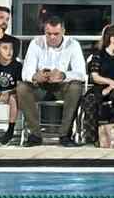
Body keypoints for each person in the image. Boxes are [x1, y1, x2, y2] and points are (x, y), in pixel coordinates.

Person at [16, 17, 87, 147]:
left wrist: (63, 75)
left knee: (76, 87)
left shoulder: (73, 44)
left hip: (62, 86)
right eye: (48, 34)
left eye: (56, 34)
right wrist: (35, 76)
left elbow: (81, 74)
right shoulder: (36, 43)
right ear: (44, 31)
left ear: (63, 32)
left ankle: (65, 135)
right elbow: (26, 73)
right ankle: (35, 135)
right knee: (22, 88)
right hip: (40, 86)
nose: (52, 37)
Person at [81, 23, 114, 146]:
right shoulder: (98, 55)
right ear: (113, 39)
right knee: (90, 99)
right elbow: (95, 76)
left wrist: (111, 86)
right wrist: (109, 83)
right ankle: (91, 137)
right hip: (99, 86)